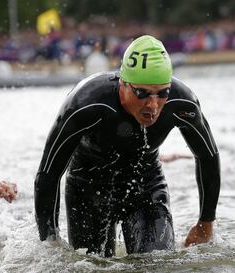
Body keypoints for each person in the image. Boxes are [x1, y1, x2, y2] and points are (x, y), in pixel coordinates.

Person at [34, 35, 220, 257]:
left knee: (156, 264)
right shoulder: (87, 103)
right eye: (142, 93)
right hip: (88, 188)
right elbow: (48, 174)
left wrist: (205, 222)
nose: (153, 105)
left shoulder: (182, 103)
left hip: (145, 185)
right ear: (123, 84)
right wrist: (50, 240)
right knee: (91, 265)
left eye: (162, 93)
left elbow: (208, 156)